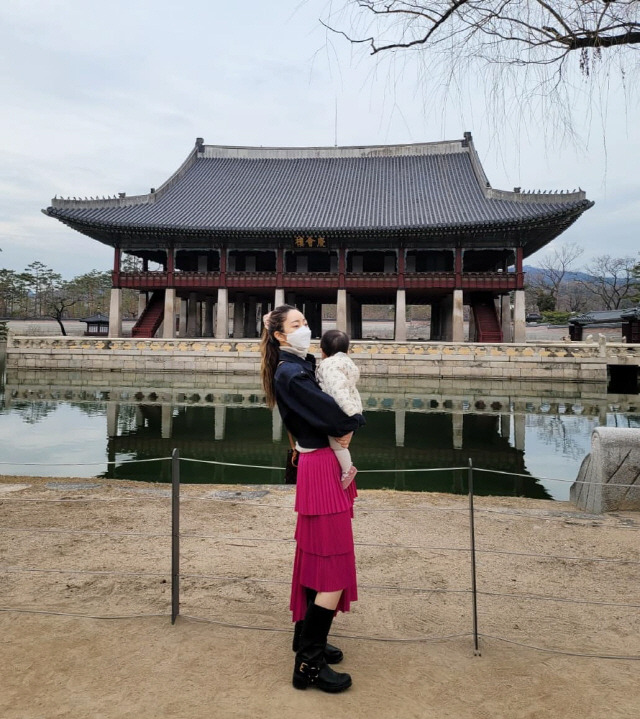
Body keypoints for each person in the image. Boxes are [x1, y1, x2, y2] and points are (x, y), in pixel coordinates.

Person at [261, 305, 365, 693]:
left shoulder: (299, 365)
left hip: (318, 464)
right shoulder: (292, 373)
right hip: (321, 467)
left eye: (306, 322)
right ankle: (308, 662)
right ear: (279, 336)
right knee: (333, 566)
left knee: (315, 558)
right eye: (296, 324)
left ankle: (306, 638)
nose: (306, 329)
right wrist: (353, 424)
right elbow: (335, 416)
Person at [316, 329, 363, 489]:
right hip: (352, 406)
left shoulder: (329, 364)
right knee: (340, 443)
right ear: (347, 350)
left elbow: (337, 391)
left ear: (322, 350)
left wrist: (348, 415)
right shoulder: (348, 363)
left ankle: (347, 469)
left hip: (340, 410)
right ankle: (346, 468)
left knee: (337, 443)